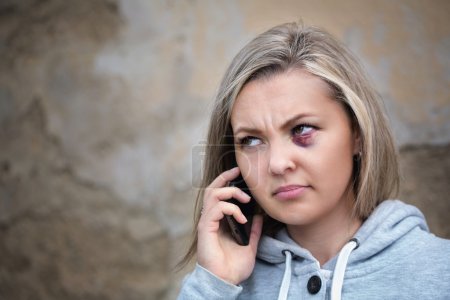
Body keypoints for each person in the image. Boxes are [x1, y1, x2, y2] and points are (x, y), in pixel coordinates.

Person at [177, 22, 450, 300]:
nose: (277, 164)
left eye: (302, 130)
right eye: (252, 141)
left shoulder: (440, 273)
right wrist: (213, 286)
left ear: (357, 133)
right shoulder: (222, 284)